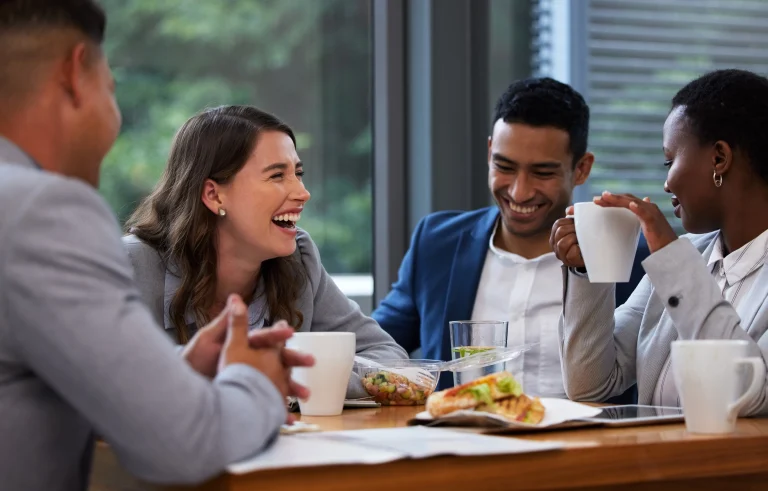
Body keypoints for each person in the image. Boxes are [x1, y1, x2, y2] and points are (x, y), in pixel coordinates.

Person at [0, 1, 314, 489]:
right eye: (112, 89)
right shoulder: (40, 212)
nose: (115, 116)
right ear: (73, 73)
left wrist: (170, 378)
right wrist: (255, 379)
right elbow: (186, 445)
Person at [372, 77, 650, 395]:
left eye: (542, 172)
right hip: (460, 441)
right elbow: (376, 347)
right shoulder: (437, 242)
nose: (519, 191)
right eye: (504, 166)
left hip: (585, 443)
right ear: (490, 151)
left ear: (582, 169)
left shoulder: (636, 260)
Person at [122, 104, 408, 399]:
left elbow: (388, 357)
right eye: (276, 176)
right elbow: (106, 387)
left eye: (298, 173)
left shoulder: (300, 258)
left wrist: (295, 376)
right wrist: (251, 378)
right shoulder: (129, 265)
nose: (303, 192)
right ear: (213, 194)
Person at [551, 68, 768, 415]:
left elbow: (743, 393)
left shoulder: (675, 262)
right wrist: (586, 268)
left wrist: (670, 258)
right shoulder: (685, 257)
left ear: (719, 158)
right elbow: (590, 383)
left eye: (670, 160)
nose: (666, 184)